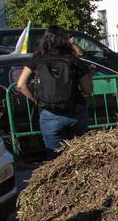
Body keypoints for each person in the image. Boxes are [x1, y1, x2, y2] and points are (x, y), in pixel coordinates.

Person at [17, 28, 95, 156]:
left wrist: (37, 101)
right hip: (75, 112)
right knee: (81, 156)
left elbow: (21, 85)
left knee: (55, 159)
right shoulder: (73, 60)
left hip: (49, 114)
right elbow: (88, 89)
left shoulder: (37, 58)